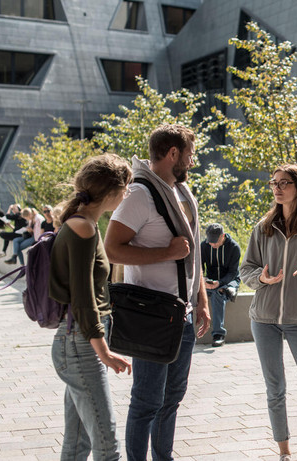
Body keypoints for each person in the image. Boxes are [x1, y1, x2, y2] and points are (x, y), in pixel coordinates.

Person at [104, 124, 211, 461]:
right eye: (190, 154)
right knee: (147, 402)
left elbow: (191, 256)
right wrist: (166, 252)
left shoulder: (180, 192)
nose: (192, 162)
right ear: (173, 154)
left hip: (184, 315)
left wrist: (202, 301)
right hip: (152, 316)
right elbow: (112, 249)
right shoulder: (140, 194)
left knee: (172, 399)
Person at [239, 163, 297, 461]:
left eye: (284, 183)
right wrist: (261, 279)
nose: (277, 188)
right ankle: (284, 453)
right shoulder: (263, 227)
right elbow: (246, 268)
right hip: (264, 319)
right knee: (275, 390)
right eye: (274, 183)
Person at [49, 153, 133, 460]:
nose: (126, 194)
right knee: (107, 447)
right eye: (126, 187)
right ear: (111, 192)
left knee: (77, 444)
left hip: (77, 342)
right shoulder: (83, 228)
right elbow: (83, 299)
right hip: (81, 344)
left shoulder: (83, 223)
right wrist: (104, 351)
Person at [201, 222, 241, 348]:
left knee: (219, 293)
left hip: (229, 280)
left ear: (223, 236)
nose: (212, 244)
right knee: (195, 293)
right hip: (211, 281)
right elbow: (200, 268)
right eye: (210, 241)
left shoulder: (234, 247)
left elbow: (233, 272)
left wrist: (220, 283)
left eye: (215, 241)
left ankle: (218, 335)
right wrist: (204, 280)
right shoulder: (204, 246)